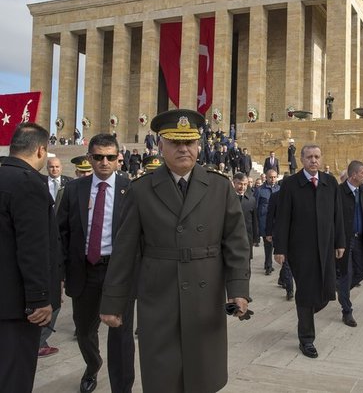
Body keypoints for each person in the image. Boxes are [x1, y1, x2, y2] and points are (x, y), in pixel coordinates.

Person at [100, 109, 251, 393]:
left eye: (190, 142)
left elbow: (236, 243)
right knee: (163, 377)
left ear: (199, 145)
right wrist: (112, 303)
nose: (184, 149)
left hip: (205, 297)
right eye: (175, 142)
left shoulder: (219, 187)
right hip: (159, 296)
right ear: (160, 145)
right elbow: (125, 251)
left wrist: (239, 291)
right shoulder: (141, 190)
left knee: (204, 375)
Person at [58, 134, 134, 393]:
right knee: (84, 329)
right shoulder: (73, 190)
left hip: (118, 273)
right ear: (89, 158)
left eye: (110, 157)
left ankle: (122, 387)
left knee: (121, 335)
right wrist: (60, 272)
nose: (104, 162)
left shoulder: (130, 190)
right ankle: (93, 365)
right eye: (99, 156)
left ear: (118, 160)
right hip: (84, 271)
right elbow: (61, 233)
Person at [0, 123, 60, 393]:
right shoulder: (29, 184)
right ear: (41, 150)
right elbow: (32, 247)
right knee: (15, 378)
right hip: (17, 307)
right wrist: (39, 300)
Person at [274, 144, 346, 359]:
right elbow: (283, 218)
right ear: (302, 159)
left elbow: (338, 215)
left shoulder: (330, 182)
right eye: (309, 157)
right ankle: (307, 339)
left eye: (317, 157)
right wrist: (280, 249)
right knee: (305, 292)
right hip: (300, 250)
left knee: (326, 291)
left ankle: (304, 315)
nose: (313, 160)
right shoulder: (290, 184)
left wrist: (340, 242)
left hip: (325, 247)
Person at [336, 160, 363, 327]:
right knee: (346, 274)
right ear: (353, 175)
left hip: (360, 239)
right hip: (344, 242)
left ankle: (341, 289)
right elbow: (333, 220)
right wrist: (336, 242)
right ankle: (347, 311)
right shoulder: (338, 192)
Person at [39, 156, 71, 358]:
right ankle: (39, 342)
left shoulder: (68, 185)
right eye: (51, 167)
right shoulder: (38, 183)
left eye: (58, 167)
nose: (54, 170)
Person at [256, 169, 280, 275]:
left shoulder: (280, 189)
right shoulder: (260, 190)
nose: (273, 179)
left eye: (274, 177)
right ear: (266, 177)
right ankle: (268, 266)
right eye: (271, 177)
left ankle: (268, 263)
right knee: (268, 245)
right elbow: (256, 207)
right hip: (265, 222)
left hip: (277, 222)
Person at [233, 172, 259, 255]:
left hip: (247, 238)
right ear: (234, 183)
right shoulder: (227, 198)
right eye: (240, 184)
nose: (242, 187)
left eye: (245, 184)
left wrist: (256, 238)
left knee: (246, 264)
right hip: (231, 238)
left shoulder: (251, 200)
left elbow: (254, 220)